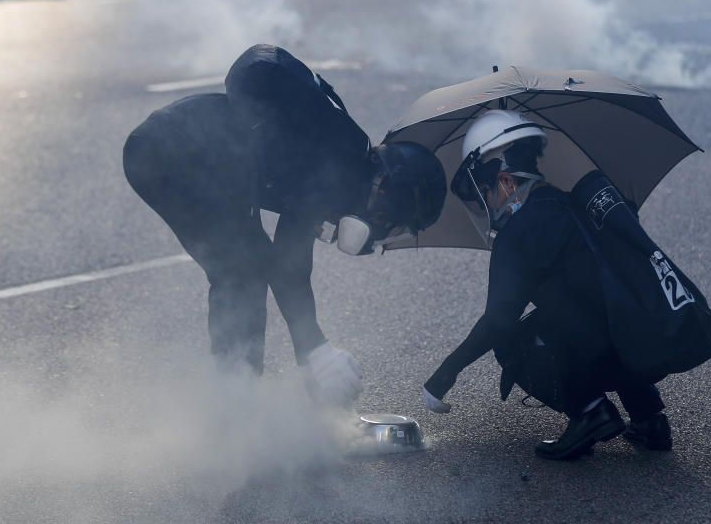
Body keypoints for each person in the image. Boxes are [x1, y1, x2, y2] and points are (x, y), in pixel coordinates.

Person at [124, 44, 446, 408]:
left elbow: (288, 262)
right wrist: (316, 351)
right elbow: (259, 61)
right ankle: (235, 409)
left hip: (179, 154)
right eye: (391, 224)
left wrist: (312, 353)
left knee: (250, 260)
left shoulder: (344, 174)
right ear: (387, 192)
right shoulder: (337, 158)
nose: (381, 235)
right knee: (241, 271)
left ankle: (239, 398)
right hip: (169, 151)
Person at [421, 110, 671, 460]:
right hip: (644, 340)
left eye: (485, 192)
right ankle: (649, 420)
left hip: (608, 349)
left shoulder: (519, 232)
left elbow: (498, 321)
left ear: (506, 181)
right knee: (589, 309)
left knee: (510, 338)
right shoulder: (574, 203)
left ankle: (589, 411)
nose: (485, 203)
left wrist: (445, 373)